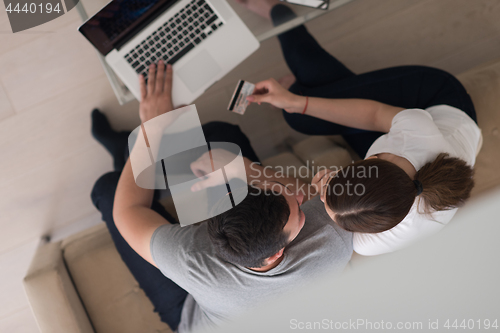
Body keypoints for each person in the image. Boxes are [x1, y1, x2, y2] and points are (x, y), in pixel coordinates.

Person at [90, 59, 353, 333]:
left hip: (191, 310)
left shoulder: (192, 259)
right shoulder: (333, 230)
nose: (301, 197)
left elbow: (128, 210)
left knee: (109, 189)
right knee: (222, 135)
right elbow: (306, 194)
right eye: (285, 194)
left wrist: (152, 128)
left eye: (299, 210)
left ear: (275, 254)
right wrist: (242, 167)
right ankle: (139, 155)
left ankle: (125, 153)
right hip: (224, 288)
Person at [241, 1, 482, 255]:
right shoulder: (418, 133)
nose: (323, 199)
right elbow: (375, 115)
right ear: (375, 157)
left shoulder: (375, 242)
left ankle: (301, 78)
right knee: (301, 106)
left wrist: (320, 194)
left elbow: (335, 212)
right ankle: (277, 11)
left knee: (302, 110)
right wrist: (296, 101)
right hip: (438, 100)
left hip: (402, 148)